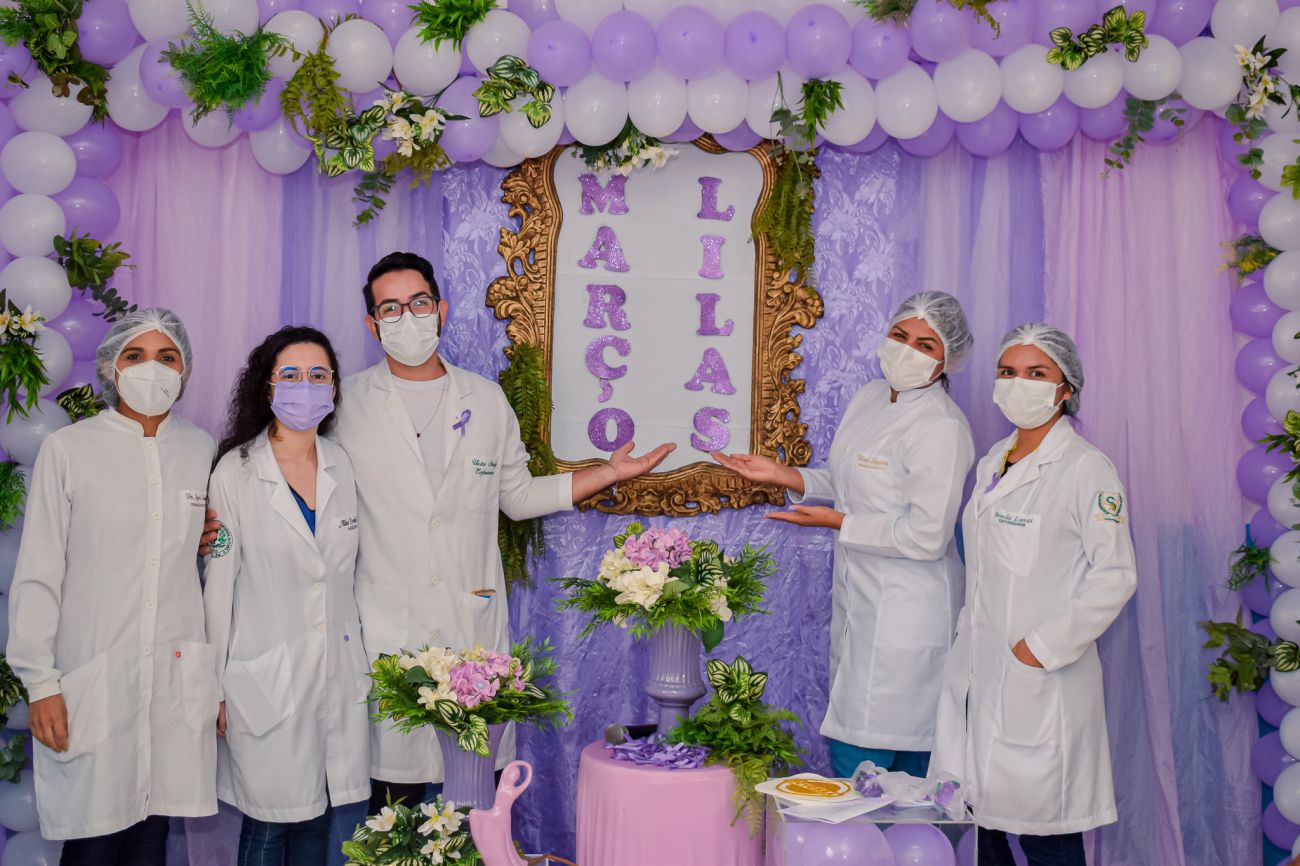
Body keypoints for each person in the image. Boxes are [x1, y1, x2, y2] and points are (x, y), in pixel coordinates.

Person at [332, 251, 674, 812]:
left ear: (441, 310)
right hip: (388, 625)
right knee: (395, 803)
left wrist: (608, 473)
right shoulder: (346, 406)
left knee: (476, 799)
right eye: (390, 309)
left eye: (418, 303)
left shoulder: (486, 400)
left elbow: (516, 497)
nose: (407, 318)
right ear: (372, 324)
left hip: (470, 624)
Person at [713, 291, 975, 779]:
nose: (907, 351)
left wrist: (839, 523)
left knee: (888, 761)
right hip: (862, 600)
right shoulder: (870, 397)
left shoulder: (942, 427)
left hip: (910, 612)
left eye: (925, 345)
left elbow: (927, 534)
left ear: (948, 359)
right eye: (900, 335)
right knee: (863, 743)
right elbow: (852, 485)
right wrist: (782, 474)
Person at [7, 309, 219, 864]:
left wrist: (212, 541)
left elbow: (213, 557)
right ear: (110, 367)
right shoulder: (70, 450)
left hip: (171, 681)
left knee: (151, 841)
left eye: (167, 357)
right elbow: (38, 572)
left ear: (185, 370)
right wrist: (41, 683)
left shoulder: (202, 450)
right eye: (136, 356)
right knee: (94, 844)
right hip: (93, 679)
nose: (153, 369)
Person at [930, 323, 1137, 866]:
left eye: (1036, 372)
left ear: (1065, 388)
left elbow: (1115, 576)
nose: (1018, 383)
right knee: (984, 833)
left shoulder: (1086, 468)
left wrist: (1040, 648)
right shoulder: (994, 459)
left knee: (1047, 839)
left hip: (1040, 681)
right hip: (980, 675)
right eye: (1008, 371)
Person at [203, 326, 370, 863]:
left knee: (317, 820)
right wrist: (214, 687)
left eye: (318, 375)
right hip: (264, 678)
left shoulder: (342, 464)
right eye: (291, 375)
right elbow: (217, 589)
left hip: (336, 673)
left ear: (335, 389)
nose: (306, 386)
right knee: (269, 822)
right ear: (268, 386)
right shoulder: (236, 473)